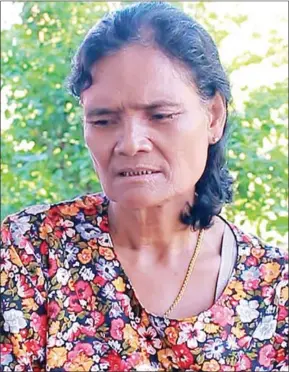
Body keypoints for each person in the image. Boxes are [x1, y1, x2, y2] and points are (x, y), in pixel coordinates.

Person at [0, 2, 287, 371]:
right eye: (103, 120)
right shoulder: (29, 255)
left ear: (214, 116)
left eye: (160, 115)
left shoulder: (275, 293)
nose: (131, 142)